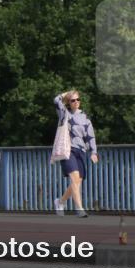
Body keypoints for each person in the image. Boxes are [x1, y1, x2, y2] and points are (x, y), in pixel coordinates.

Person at [53, 90, 99, 218]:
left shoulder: (85, 118)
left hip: (81, 151)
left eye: (78, 99)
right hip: (68, 150)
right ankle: (79, 209)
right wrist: (66, 94)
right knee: (74, 177)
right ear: (69, 102)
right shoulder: (64, 114)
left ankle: (60, 202)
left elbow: (91, 137)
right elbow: (56, 101)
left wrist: (93, 152)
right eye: (73, 100)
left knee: (77, 181)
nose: (76, 102)